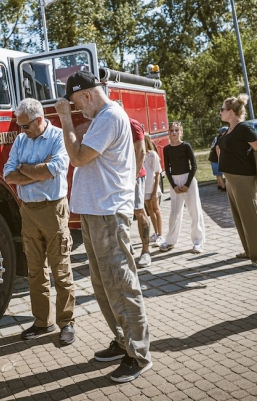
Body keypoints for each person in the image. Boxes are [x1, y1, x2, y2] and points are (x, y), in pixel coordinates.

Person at [56, 70, 152, 383]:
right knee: (104, 285)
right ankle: (123, 340)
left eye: (75, 103)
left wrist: (65, 122)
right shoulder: (104, 117)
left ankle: (138, 354)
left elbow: (80, 158)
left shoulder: (110, 116)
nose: (76, 110)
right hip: (98, 213)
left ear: (86, 94)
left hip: (109, 213)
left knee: (121, 283)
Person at [3, 98, 76, 345]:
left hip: (53, 210)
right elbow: (8, 174)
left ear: (39, 120)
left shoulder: (58, 137)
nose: (21, 131)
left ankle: (66, 323)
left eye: (24, 126)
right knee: (35, 272)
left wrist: (25, 169)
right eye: (19, 126)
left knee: (61, 270)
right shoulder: (20, 140)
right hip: (28, 212)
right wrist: (35, 171)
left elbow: (52, 170)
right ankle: (43, 322)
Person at [217, 94, 257, 268]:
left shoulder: (244, 128)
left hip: (243, 179)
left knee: (251, 217)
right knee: (239, 217)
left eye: (222, 109)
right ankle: (249, 251)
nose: (220, 112)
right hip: (231, 179)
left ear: (231, 112)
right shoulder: (229, 129)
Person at [162, 122, 205, 253]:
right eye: (171, 130)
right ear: (168, 133)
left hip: (188, 180)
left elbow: (194, 166)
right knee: (175, 213)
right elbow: (167, 169)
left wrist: (187, 184)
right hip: (175, 181)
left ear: (181, 132)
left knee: (195, 211)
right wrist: (174, 186)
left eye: (176, 130)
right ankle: (170, 241)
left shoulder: (186, 146)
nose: (174, 132)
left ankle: (198, 242)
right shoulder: (166, 149)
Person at [130, 118, 153, 268]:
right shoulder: (106, 122)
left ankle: (146, 252)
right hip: (117, 177)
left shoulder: (132, 124)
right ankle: (127, 247)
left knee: (139, 211)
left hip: (135, 176)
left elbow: (142, 151)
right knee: (121, 213)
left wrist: (134, 176)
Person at [143, 136, 165, 250]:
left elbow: (157, 174)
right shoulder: (140, 155)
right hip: (144, 188)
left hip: (153, 188)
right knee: (149, 210)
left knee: (156, 209)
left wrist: (155, 191)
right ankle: (156, 233)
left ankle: (161, 235)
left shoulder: (152, 155)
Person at [209, 126, 228, 191]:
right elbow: (218, 149)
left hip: (212, 157)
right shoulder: (221, 138)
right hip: (215, 158)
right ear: (224, 132)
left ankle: (219, 185)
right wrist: (220, 159)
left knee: (218, 173)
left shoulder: (217, 137)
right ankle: (223, 187)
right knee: (219, 173)